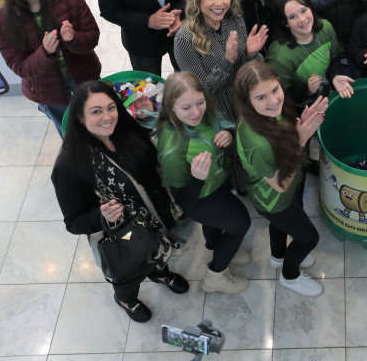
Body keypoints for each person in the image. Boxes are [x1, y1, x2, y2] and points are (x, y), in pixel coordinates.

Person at [52, 81, 189, 323]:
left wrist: (149, 117)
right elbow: (73, 223)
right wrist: (101, 216)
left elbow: (151, 161)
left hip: (155, 217)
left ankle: (160, 274)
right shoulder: (69, 166)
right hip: (123, 236)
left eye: (111, 108)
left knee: (158, 253)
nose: (107, 117)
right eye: (96, 111)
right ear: (80, 118)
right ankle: (126, 298)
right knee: (130, 273)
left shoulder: (126, 130)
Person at [234, 61, 327, 296]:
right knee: (308, 239)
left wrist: (300, 127)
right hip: (274, 200)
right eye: (261, 97)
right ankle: (290, 276)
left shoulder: (267, 114)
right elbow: (280, 184)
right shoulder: (258, 143)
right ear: (248, 101)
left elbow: (284, 143)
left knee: (280, 227)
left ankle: (278, 256)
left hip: (288, 187)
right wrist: (302, 140)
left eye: (275, 90)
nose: (274, 101)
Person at [155, 72, 252, 294]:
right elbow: (183, 202)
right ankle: (216, 275)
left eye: (200, 102)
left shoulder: (206, 113)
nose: (196, 112)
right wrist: (197, 180)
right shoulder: (172, 150)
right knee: (241, 223)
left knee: (218, 225)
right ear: (171, 108)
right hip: (201, 199)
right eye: (186, 108)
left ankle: (214, 248)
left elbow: (224, 122)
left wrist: (227, 132)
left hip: (219, 182)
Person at [174, 0, 268, 192]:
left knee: (252, 144)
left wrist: (252, 54)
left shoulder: (235, 20)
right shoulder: (185, 38)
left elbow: (247, 69)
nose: (219, 3)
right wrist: (227, 60)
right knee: (233, 154)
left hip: (244, 101)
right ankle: (241, 187)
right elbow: (200, 93)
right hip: (218, 112)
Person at [0, 0, 101, 136]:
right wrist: (46, 53)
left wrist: (73, 39)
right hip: (48, 90)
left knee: (100, 121)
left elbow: (92, 37)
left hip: (84, 76)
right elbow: (20, 68)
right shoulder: (2, 20)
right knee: (70, 133)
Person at [266, 0, 355, 113]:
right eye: (292, 17)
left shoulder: (326, 28)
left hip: (325, 94)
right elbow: (279, 96)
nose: (302, 19)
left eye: (304, 10)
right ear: (285, 23)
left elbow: (334, 58)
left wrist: (334, 76)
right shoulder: (279, 57)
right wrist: (306, 89)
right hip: (300, 109)